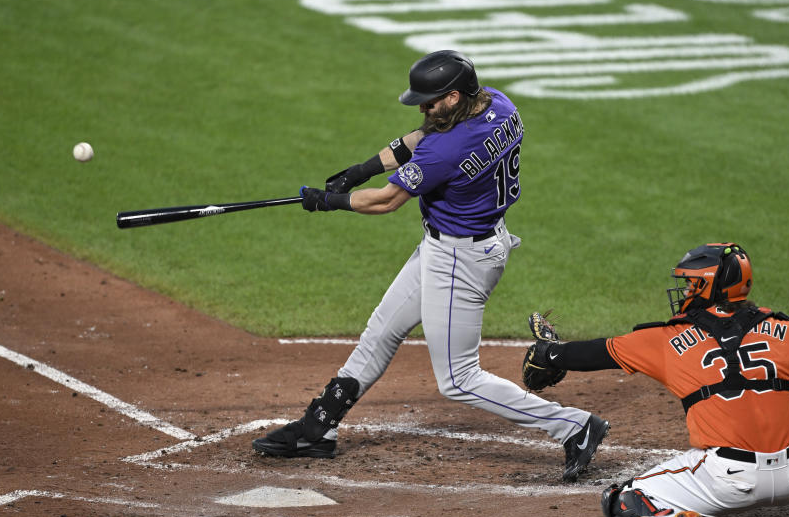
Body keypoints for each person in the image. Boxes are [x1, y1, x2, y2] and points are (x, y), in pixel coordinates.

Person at [252, 50, 608, 482]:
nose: (422, 108)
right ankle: (316, 429)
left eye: (430, 100)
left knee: (459, 380)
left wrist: (327, 200)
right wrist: (361, 169)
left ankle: (574, 426)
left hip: (462, 260)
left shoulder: (448, 149)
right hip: (453, 246)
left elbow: (386, 201)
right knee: (382, 331)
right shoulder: (498, 103)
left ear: (455, 97)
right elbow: (422, 136)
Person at [521, 242, 789, 517]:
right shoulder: (788, 329)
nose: (685, 289)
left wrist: (550, 354)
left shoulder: (668, 339)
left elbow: (601, 353)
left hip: (730, 481)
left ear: (707, 286)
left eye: (690, 282)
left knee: (622, 498)